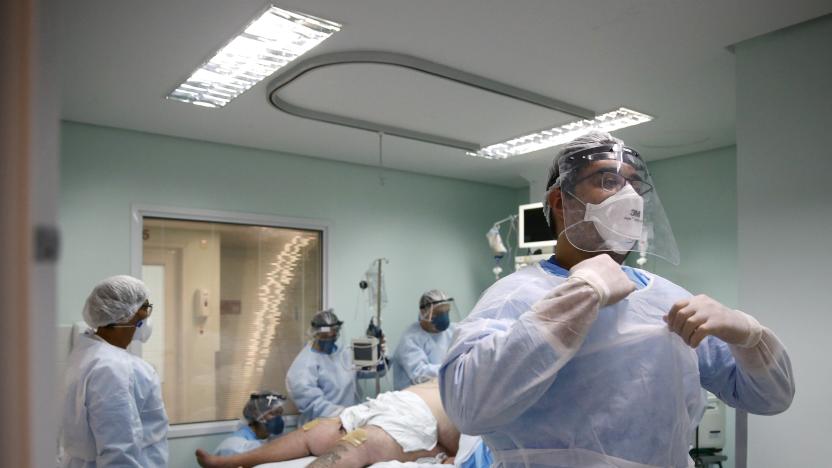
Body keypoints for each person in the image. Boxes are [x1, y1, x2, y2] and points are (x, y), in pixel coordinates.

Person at [439, 131, 795, 468]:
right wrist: (580, 296)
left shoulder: (666, 297)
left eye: (635, 186)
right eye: (608, 181)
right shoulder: (517, 296)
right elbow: (468, 407)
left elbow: (769, 398)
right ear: (561, 201)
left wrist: (749, 337)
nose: (628, 197)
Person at [195, 380, 462, 468]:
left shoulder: (449, 381)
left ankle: (228, 462)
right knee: (318, 432)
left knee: (352, 441)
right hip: (402, 407)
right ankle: (230, 462)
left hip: (405, 408)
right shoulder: (467, 392)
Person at [59, 275, 168, 467]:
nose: (146, 315)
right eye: (144, 308)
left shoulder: (86, 353)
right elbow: (119, 451)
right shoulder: (112, 368)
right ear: (124, 315)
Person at [286, 309, 357, 425]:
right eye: (325, 336)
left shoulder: (344, 353)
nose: (330, 339)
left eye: (333, 335)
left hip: (347, 422)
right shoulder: (304, 364)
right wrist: (343, 413)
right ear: (315, 334)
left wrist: (378, 353)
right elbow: (311, 403)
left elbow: (369, 370)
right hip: (320, 426)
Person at [392, 290, 456, 390]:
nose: (444, 318)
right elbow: (420, 375)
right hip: (415, 399)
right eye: (439, 313)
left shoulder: (453, 331)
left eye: (446, 312)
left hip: (442, 392)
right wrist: (453, 368)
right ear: (424, 313)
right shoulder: (410, 340)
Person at [213, 391, 287, 456]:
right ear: (257, 414)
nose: (279, 418)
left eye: (280, 413)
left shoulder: (269, 438)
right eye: (274, 413)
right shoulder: (234, 446)